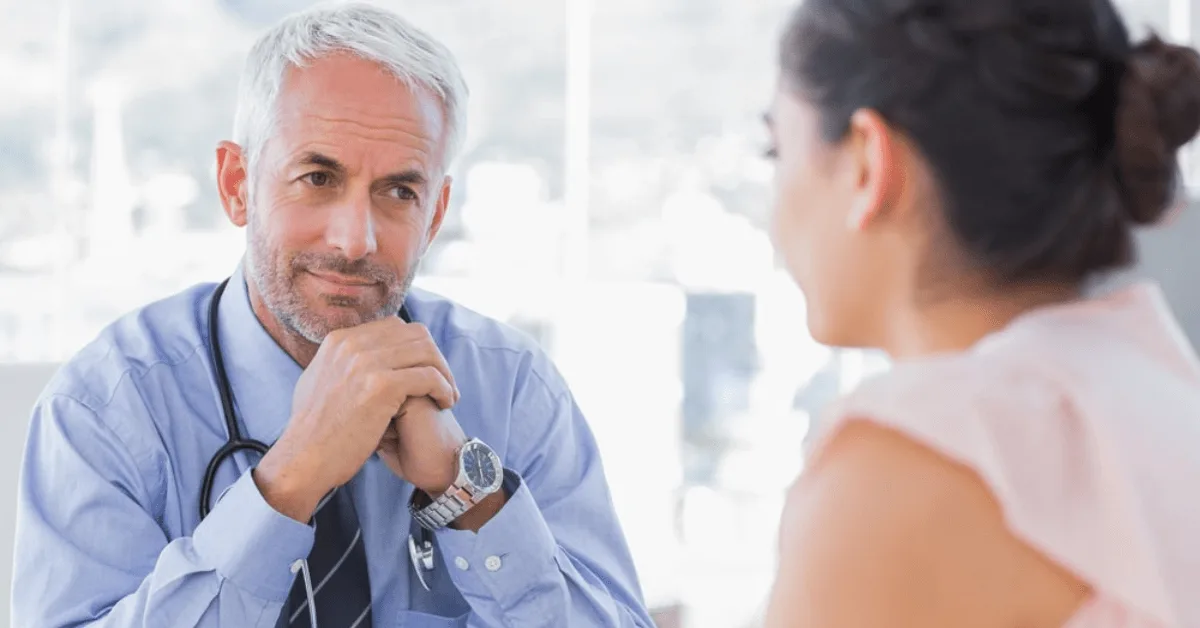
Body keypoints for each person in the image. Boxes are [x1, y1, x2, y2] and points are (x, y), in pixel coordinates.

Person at [11, 4, 653, 627]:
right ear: (237, 184)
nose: (355, 240)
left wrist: (470, 498)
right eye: (318, 177)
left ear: (434, 214)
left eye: (399, 192)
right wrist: (288, 483)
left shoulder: (511, 390)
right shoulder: (104, 408)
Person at [761, 0, 1200, 626]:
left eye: (774, 151)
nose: (774, 210)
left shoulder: (908, 466)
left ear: (868, 161)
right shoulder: (1159, 390)